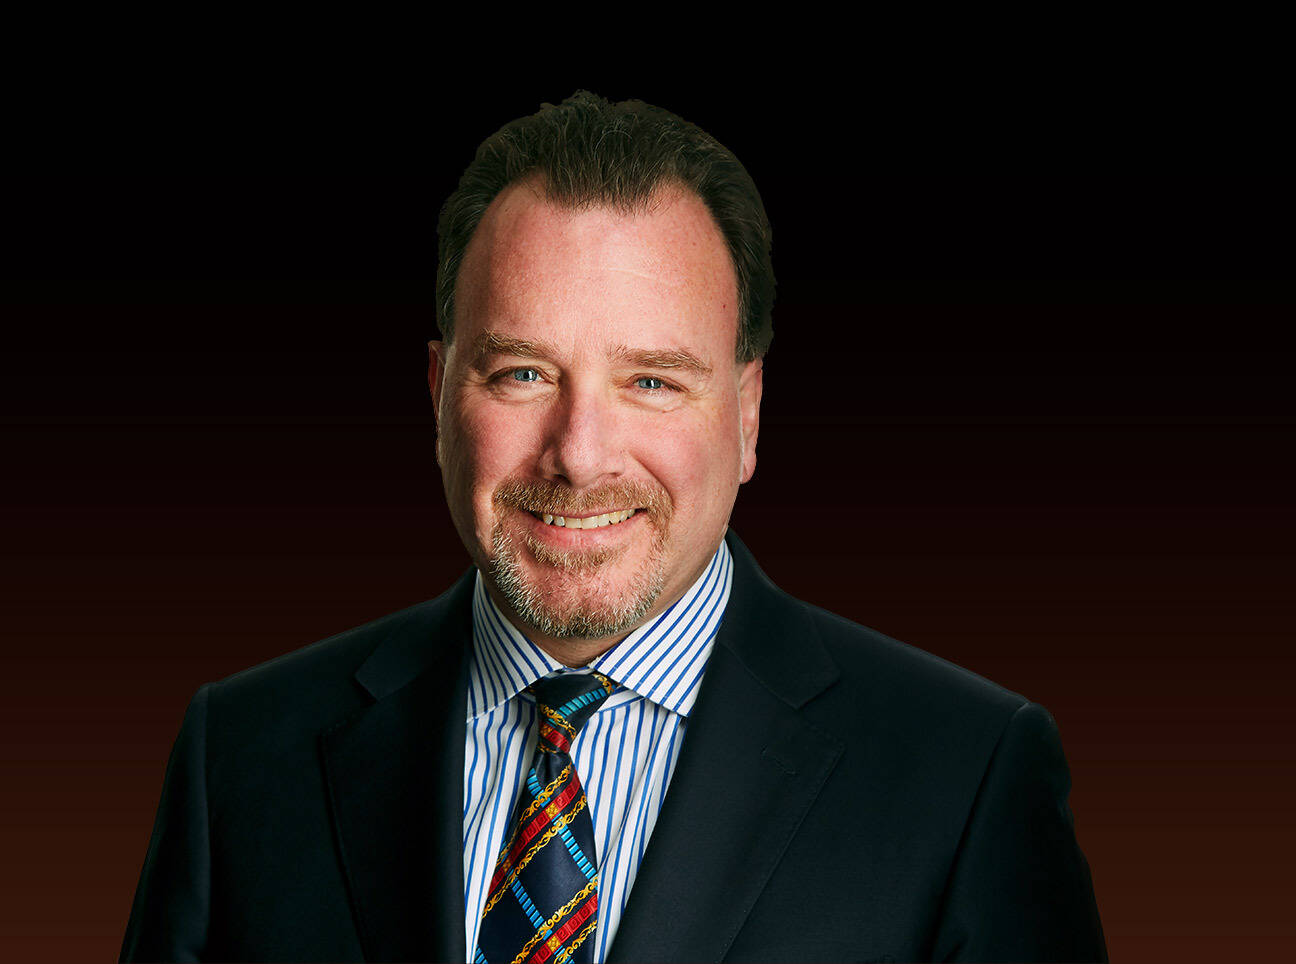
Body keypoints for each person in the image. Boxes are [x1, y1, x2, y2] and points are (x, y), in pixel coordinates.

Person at [121, 91, 1107, 963]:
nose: (579, 453)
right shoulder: (242, 759)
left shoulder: (965, 778)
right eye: (522, 373)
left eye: (650, 381)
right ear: (436, 393)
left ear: (747, 410)